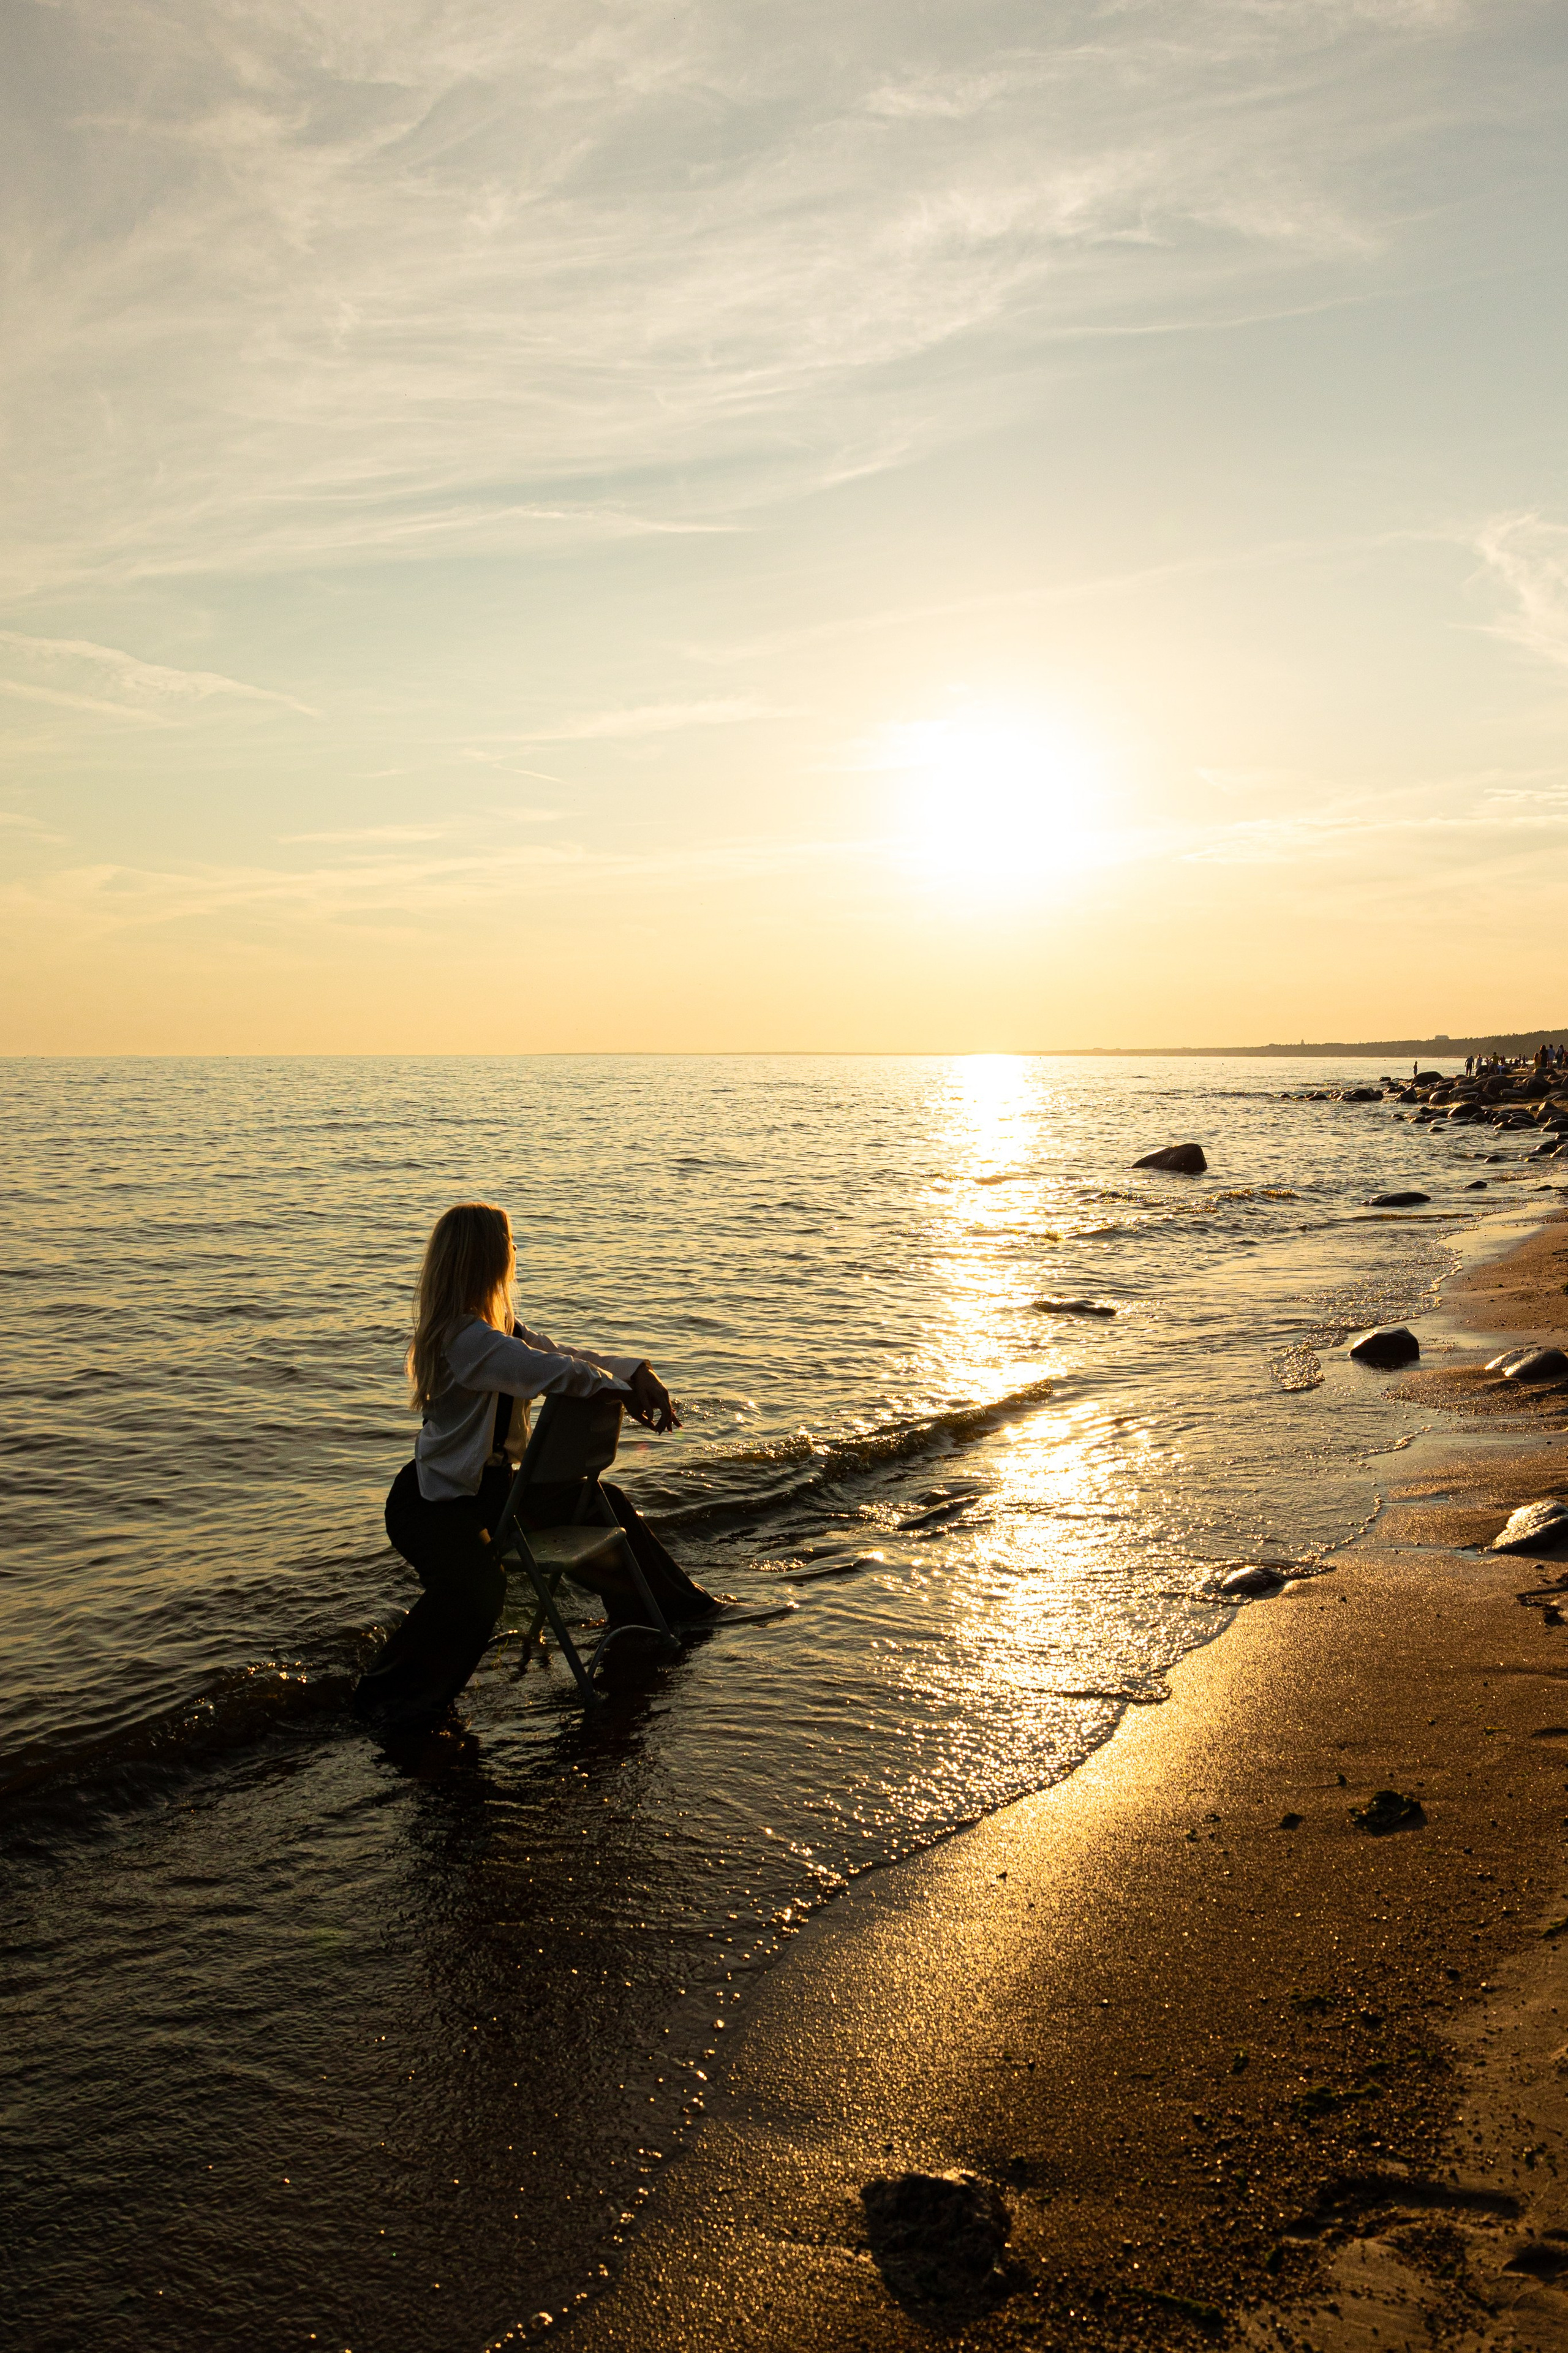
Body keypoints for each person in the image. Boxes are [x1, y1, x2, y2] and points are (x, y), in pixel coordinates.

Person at [354, 1200, 717, 1725]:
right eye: (509, 1243)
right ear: (485, 1257)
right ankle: (394, 1697)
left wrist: (636, 1372)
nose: (516, 1252)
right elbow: (556, 1373)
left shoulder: (501, 1331)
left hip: (494, 1491)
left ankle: (680, 1614)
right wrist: (625, 1391)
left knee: (603, 1503)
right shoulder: (466, 1340)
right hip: (434, 1502)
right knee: (478, 1590)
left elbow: (570, 1356)